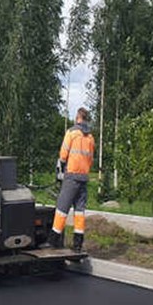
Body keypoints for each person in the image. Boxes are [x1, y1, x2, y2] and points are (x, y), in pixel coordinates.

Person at [47, 107, 96, 252]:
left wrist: (61, 169)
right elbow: (91, 159)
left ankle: (53, 240)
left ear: (78, 117)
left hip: (71, 176)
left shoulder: (71, 133)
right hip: (83, 178)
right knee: (79, 211)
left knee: (62, 208)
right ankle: (78, 244)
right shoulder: (91, 137)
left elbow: (63, 154)